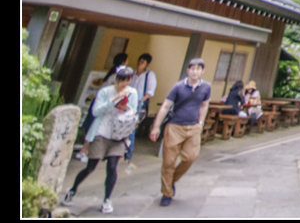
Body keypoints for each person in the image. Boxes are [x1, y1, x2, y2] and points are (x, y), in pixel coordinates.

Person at [62, 65, 138, 214]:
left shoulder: (133, 93)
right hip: (101, 133)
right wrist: (114, 101)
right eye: (122, 80)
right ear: (117, 79)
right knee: (91, 167)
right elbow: (96, 111)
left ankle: (107, 200)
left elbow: (133, 112)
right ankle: (72, 190)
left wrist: (126, 108)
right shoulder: (105, 92)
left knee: (112, 166)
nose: (124, 84)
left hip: (118, 135)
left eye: (127, 81)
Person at [149, 58, 211, 207]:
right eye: (193, 68)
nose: (195, 71)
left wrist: (200, 123)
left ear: (203, 71)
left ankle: (170, 182)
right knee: (168, 161)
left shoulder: (206, 87)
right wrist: (156, 126)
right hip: (175, 126)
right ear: (188, 70)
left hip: (193, 126)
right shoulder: (178, 86)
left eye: (198, 69)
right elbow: (165, 106)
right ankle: (167, 192)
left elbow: (204, 105)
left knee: (190, 157)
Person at [77, 52, 128, 162]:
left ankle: (84, 150)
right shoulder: (115, 78)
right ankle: (86, 151)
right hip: (106, 106)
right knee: (96, 128)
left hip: (101, 103)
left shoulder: (110, 75)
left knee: (93, 127)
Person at [125, 53, 157, 174]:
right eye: (140, 60)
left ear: (147, 64)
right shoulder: (132, 73)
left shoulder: (149, 75)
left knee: (132, 129)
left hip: (139, 104)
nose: (140, 63)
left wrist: (140, 101)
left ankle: (128, 154)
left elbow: (150, 91)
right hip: (127, 103)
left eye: (143, 62)